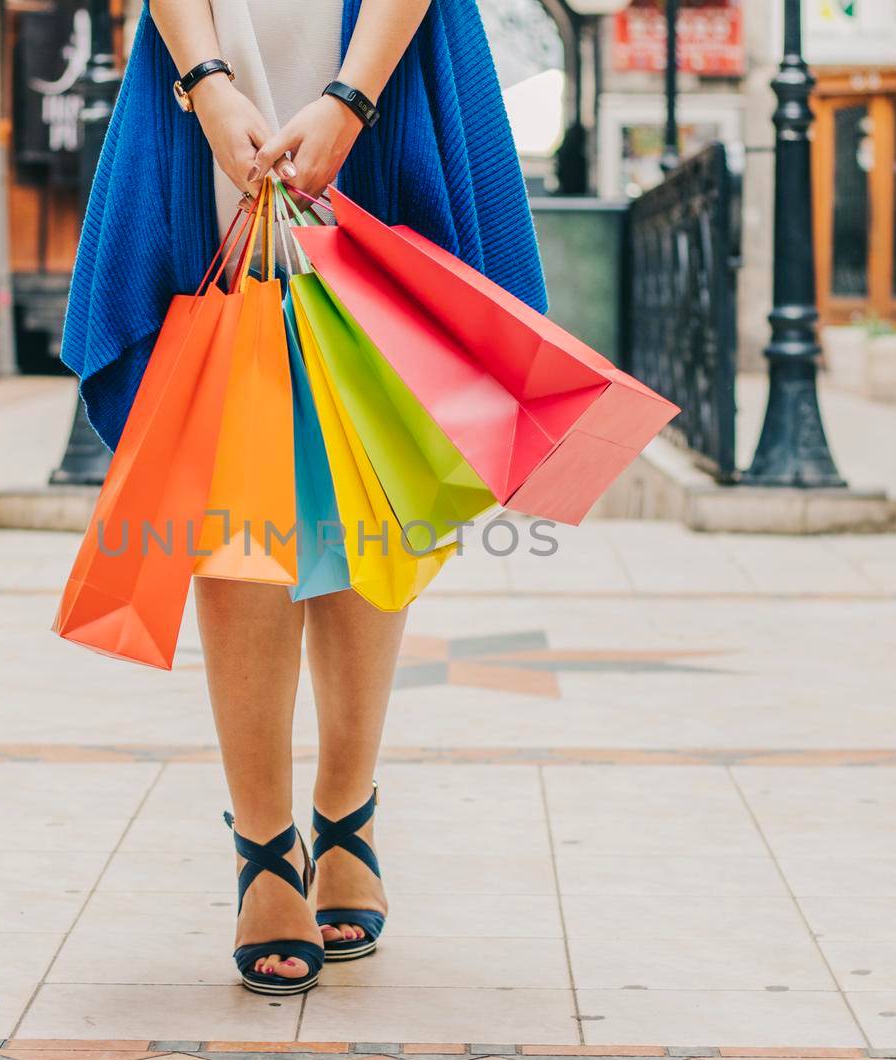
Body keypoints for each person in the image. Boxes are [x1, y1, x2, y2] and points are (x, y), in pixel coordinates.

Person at [60, 0, 548, 995]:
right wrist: (205, 84)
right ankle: (265, 842)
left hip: (373, 60)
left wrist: (351, 97)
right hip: (217, 65)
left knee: (364, 465)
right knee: (230, 468)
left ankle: (344, 806)